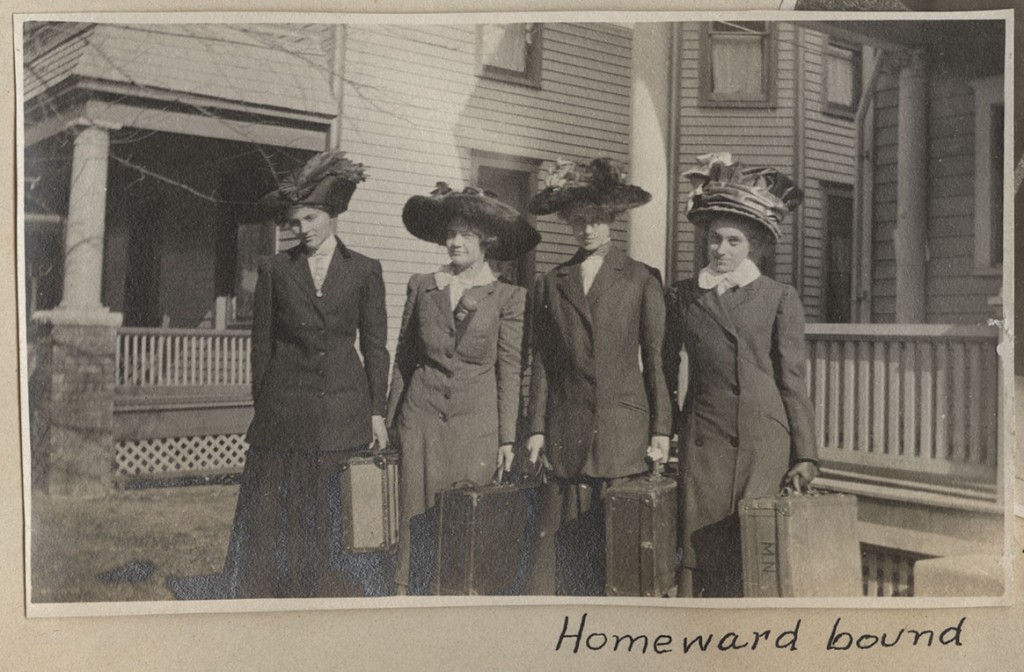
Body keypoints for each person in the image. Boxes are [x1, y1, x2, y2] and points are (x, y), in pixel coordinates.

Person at [223, 150, 391, 598]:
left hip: (343, 411)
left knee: (337, 514)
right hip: (285, 410)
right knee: (280, 516)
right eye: (297, 222)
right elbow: (261, 346)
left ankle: (333, 597)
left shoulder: (365, 271)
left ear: (333, 215)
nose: (304, 229)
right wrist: (266, 405)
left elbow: (375, 347)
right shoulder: (276, 269)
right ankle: (276, 596)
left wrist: (377, 411)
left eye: (312, 218)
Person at [664, 153, 819, 598]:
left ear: (753, 246)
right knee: (703, 548)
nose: (722, 250)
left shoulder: (778, 297)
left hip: (762, 442)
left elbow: (793, 379)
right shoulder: (685, 296)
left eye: (734, 241)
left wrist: (804, 453)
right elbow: (665, 365)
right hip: (704, 437)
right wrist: (669, 426)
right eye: (715, 240)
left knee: (755, 551)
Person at [523, 158, 672, 596]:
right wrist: (535, 428)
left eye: (596, 220)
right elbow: (544, 363)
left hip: (621, 430)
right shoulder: (552, 282)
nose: (587, 230)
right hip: (568, 427)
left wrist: (662, 427)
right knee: (568, 550)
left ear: (612, 220)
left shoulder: (641, 279)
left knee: (619, 548)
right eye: (578, 222)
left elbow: (657, 359)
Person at [387, 182, 540, 596]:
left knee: (466, 519)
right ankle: (409, 596)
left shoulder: (509, 296)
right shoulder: (423, 285)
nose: (454, 242)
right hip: (420, 419)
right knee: (413, 516)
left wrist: (508, 436)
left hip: (476, 425)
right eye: (451, 234)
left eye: (465, 236)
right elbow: (404, 358)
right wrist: (389, 420)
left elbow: (510, 369)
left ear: (486, 241)